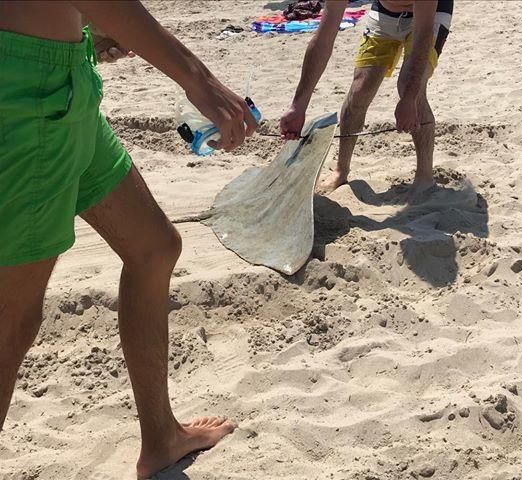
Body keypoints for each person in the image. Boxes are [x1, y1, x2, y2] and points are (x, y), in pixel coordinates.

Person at [0, 1, 258, 478]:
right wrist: (196, 77)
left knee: (154, 248)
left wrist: (86, 27)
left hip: (62, 74)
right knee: (12, 317)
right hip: (28, 91)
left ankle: (161, 437)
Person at [280, 0, 453, 204]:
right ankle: (341, 170)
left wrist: (409, 99)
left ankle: (424, 178)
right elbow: (324, 37)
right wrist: (298, 106)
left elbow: (423, 33)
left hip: (431, 12)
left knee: (409, 87)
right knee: (360, 90)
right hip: (387, 11)